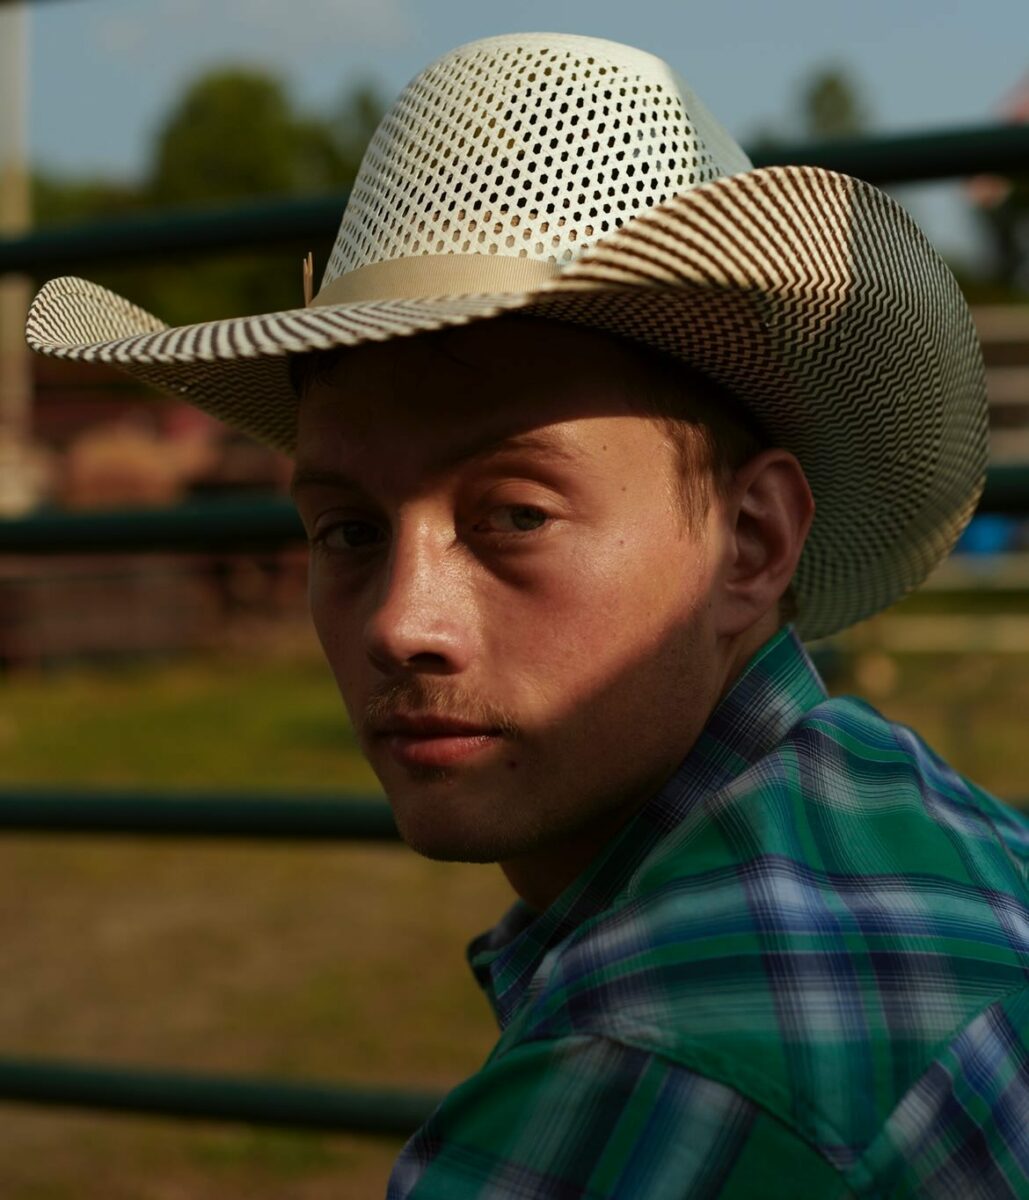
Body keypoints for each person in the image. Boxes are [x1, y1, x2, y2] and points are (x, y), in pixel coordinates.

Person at [27, 31, 1028, 1200]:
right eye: (348, 531)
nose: (403, 621)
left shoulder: (647, 1081)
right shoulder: (941, 842)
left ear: (750, 542)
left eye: (513, 515)